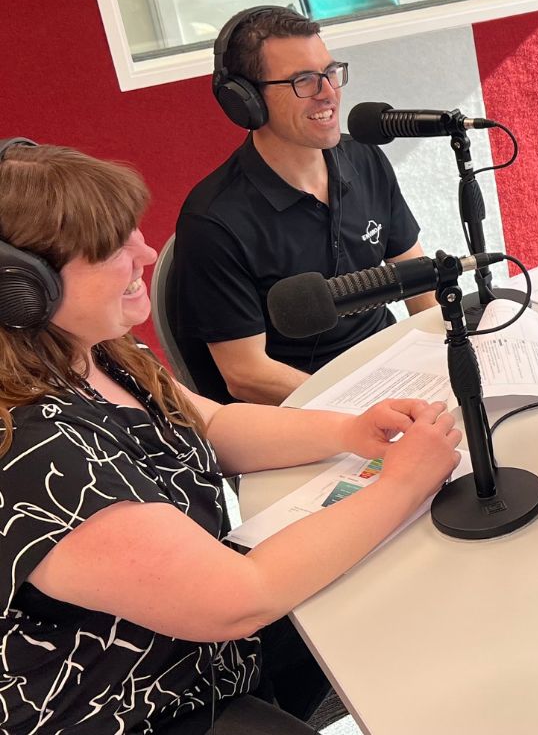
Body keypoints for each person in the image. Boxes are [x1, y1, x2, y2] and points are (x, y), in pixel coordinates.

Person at [0, 139, 463, 733]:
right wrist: (400, 485)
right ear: (23, 288)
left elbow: (211, 424)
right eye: (114, 248)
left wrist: (349, 429)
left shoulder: (90, 349)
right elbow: (240, 596)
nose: (145, 250)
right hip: (138, 706)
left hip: (204, 644)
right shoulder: (31, 451)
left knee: (397, 596)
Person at [172, 6, 438, 405]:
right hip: (305, 406)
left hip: (391, 374)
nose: (328, 92)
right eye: (303, 81)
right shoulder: (213, 221)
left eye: (331, 72)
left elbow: (418, 281)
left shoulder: (364, 158)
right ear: (245, 101)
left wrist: (449, 351)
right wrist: (358, 403)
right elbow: (246, 375)